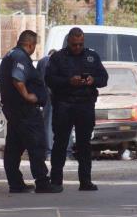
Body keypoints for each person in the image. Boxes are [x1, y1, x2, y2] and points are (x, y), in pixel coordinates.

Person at [0, 30, 62, 194]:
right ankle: (42, 182)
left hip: (15, 110)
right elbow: (17, 78)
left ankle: (16, 183)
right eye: (34, 45)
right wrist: (27, 95)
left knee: (14, 146)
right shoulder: (20, 57)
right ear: (30, 44)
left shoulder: (11, 54)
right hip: (24, 111)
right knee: (36, 146)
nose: (34, 48)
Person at [45, 27, 108, 191]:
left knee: (84, 145)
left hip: (85, 105)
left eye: (80, 44)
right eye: (74, 45)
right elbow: (49, 79)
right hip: (64, 105)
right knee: (60, 143)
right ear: (68, 42)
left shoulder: (92, 57)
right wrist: (68, 81)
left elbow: (104, 78)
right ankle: (56, 180)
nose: (77, 48)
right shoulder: (58, 57)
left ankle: (85, 181)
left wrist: (93, 80)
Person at [36, 49, 57, 158]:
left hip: (46, 95)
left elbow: (37, 79)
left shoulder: (42, 61)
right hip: (59, 94)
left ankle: (48, 152)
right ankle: (66, 152)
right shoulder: (60, 59)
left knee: (47, 122)